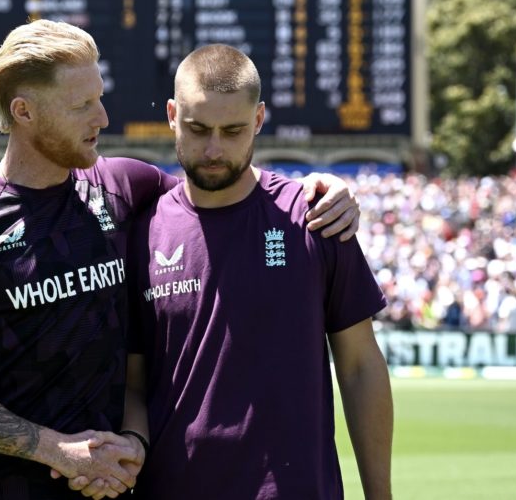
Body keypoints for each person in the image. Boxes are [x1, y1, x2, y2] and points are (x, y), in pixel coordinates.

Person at [0, 20, 362, 499]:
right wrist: (54, 449)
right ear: (25, 111)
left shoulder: (122, 186)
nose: (102, 117)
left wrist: (320, 188)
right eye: (81, 105)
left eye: (99, 97)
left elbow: (220, 182)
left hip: (108, 489)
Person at [121, 44, 393, 499]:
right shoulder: (141, 232)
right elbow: (133, 383)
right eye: (197, 128)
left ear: (259, 120)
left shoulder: (316, 217)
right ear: (171, 114)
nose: (213, 149)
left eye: (233, 131)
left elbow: (361, 365)